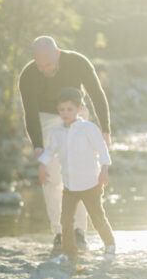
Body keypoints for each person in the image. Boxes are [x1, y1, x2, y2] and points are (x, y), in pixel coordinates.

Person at [19, 36, 111, 252]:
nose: (44, 69)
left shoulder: (78, 62)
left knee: (80, 174)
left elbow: (97, 94)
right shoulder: (29, 75)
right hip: (45, 118)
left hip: (77, 116)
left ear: (57, 53)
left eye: (49, 64)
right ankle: (60, 233)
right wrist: (38, 147)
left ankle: (79, 232)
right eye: (39, 65)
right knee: (52, 179)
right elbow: (30, 113)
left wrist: (105, 130)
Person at [38, 87, 115, 264]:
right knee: (65, 221)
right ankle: (69, 253)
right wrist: (42, 166)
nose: (65, 113)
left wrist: (104, 170)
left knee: (97, 217)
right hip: (70, 185)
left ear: (79, 110)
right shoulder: (57, 132)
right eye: (62, 110)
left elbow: (102, 151)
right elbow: (50, 151)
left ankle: (109, 245)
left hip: (90, 183)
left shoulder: (89, 128)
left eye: (70, 109)